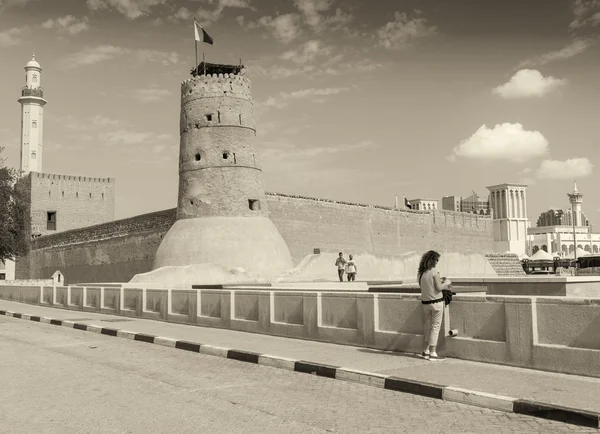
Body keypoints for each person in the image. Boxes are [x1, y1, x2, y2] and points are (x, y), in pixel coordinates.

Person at [417, 250, 451, 361]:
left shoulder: (421, 273)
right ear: (433, 260)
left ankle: (426, 351)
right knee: (435, 328)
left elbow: (426, 286)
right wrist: (446, 283)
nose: (437, 262)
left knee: (429, 328)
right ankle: (433, 353)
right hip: (436, 303)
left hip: (425, 304)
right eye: (436, 260)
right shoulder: (434, 271)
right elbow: (439, 288)